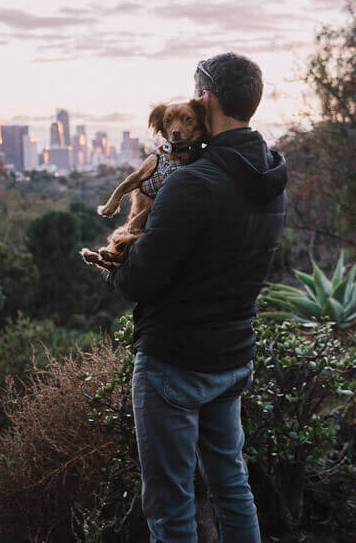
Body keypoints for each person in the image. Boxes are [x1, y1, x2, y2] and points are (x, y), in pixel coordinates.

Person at [106, 52, 288, 542]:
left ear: (205, 100)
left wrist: (115, 270)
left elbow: (137, 281)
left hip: (175, 363)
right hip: (232, 358)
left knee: (171, 506)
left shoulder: (192, 183)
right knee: (232, 485)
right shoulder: (271, 178)